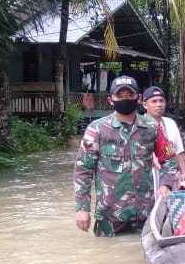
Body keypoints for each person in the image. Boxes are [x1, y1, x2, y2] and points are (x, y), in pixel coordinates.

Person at [74, 76, 178, 236]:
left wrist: (166, 185)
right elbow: (83, 170)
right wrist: (82, 209)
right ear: (111, 100)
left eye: (130, 95)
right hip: (110, 216)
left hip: (144, 213)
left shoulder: (152, 127)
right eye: (120, 96)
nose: (125, 99)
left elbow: (169, 157)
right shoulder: (97, 129)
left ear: (139, 98)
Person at [141, 86, 185, 181]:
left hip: (167, 178)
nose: (159, 104)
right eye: (154, 101)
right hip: (144, 179)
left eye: (161, 101)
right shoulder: (138, 125)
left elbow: (178, 151)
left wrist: (183, 174)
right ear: (145, 105)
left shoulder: (170, 123)